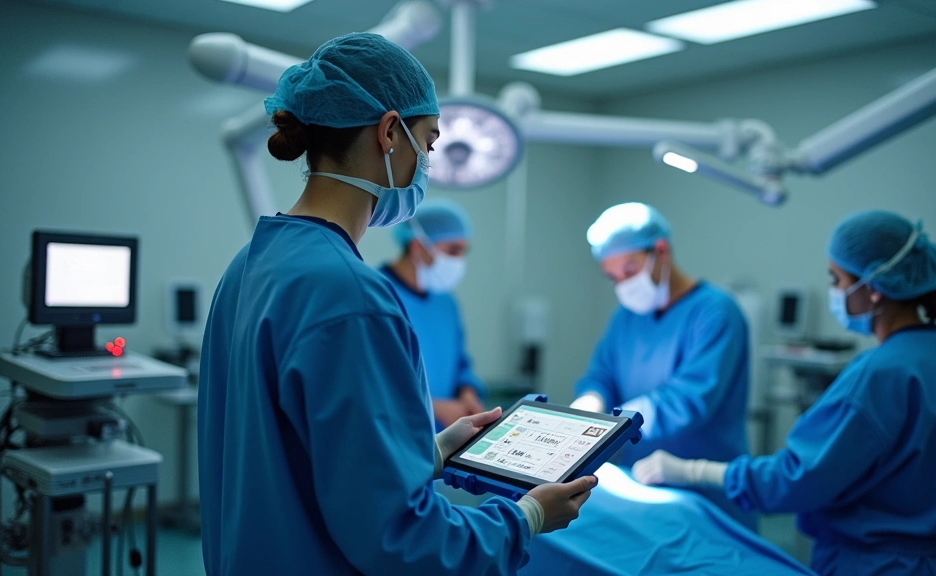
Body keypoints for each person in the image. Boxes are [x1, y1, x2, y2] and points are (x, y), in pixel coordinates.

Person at [197, 33, 596, 576]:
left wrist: (428, 453)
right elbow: (399, 542)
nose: (428, 164)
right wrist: (525, 517)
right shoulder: (350, 295)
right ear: (389, 133)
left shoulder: (250, 263)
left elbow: (294, 457)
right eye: (428, 144)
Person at [633, 210, 936, 576]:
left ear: (873, 289)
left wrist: (692, 471)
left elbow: (794, 480)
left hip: (882, 566)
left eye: (836, 279)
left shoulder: (880, 374)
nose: (834, 292)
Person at [571, 202, 753, 529]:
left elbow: (687, 401)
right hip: (643, 485)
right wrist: (589, 403)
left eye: (629, 270)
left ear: (661, 250)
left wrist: (610, 426)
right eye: (612, 277)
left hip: (707, 492)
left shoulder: (717, 312)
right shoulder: (626, 317)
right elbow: (602, 375)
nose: (623, 284)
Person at [382, 199, 485, 431]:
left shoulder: (445, 302)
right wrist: (432, 407)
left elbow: (460, 363)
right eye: (452, 250)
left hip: (444, 439)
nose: (459, 260)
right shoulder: (377, 295)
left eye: (463, 250)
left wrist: (466, 392)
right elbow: (371, 379)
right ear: (418, 245)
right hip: (396, 434)